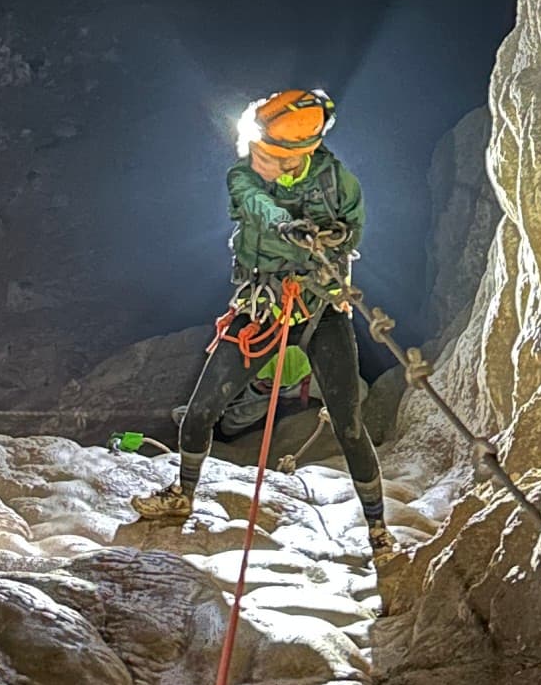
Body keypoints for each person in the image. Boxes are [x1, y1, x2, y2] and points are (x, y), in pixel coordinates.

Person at [134, 87, 390, 552]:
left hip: (320, 310)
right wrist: (286, 226)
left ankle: (377, 527)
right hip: (263, 309)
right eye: (257, 151)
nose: (257, 160)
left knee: (349, 424)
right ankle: (182, 495)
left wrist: (335, 234)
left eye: (267, 155)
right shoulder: (242, 176)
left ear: (297, 155)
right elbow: (254, 202)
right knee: (200, 413)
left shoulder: (338, 182)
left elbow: (354, 227)